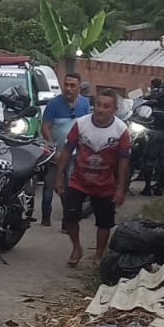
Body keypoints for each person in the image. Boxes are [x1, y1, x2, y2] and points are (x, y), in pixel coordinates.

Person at [54, 88, 131, 267]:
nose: (101, 109)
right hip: (78, 180)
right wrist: (58, 177)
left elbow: (123, 161)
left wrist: (120, 189)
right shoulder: (81, 124)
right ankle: (76, 248)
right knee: (70, 216)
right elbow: (66, 151)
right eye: (98, 105)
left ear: (114, 109)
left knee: (104, 223)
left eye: (106, 106)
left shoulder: (120, 130)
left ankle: (98, 255)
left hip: (105, 185)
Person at [40, 72, 91, 228]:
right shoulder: (53, 104)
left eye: (72, 85)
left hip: (73, 153)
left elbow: (85, 126)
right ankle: (46, 215)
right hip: (54, 152)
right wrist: (54, 148)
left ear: (78, 88)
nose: (68, 88)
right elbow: (45, 128)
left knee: (69, 186)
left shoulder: (84, 104)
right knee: (50, 184)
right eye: (66, 85)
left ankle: (67, 220)